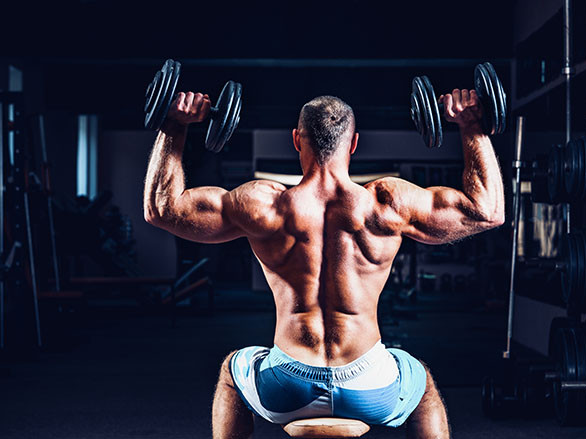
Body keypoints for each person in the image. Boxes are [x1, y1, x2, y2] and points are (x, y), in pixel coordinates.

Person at [143, 89, 504, 439]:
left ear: (297, 140)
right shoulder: (387, 204)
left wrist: (174, 126)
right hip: (369, 382)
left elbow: (161, 209)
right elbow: (488, 212)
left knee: (230, 371)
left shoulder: (263, 206)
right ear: (354, 143)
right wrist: (471, 126)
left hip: (288, 383)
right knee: (422, 384)